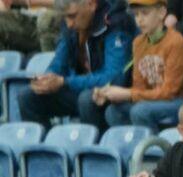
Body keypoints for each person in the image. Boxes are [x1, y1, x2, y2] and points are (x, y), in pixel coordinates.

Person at [92, 0, 183, 132]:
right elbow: (139, 88)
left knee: (140, 111)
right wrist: (110, 94)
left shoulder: (176, 43)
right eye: (136, 15)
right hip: (159, 100)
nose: (139, 20)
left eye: (145, 13)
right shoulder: (138, 43)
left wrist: (127, 94)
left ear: (162, 12)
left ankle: (154, 144)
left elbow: (169, 92)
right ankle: (135, 143)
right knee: (113, 111)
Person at [18, 0, 134, 129]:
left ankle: (93, 141)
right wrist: (48, 78)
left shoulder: (116, 23)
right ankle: (45, 142)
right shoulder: (71, 24)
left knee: (87, 99)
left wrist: (65, 81)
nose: (69, 24)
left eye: (72, 16)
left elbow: (113, 78)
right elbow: (59, 61)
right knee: (27, 96)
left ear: (91, 4)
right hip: (79, 88)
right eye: (65, 17)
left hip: (112, 94)